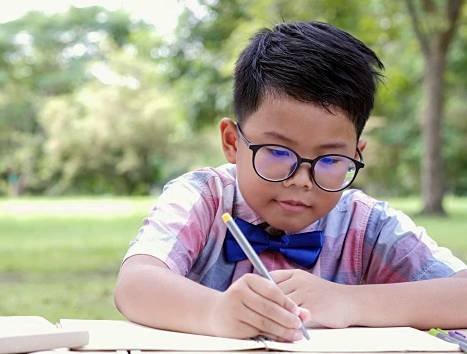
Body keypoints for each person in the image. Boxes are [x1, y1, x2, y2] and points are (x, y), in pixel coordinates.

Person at [113, 21, 467, 343]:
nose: (300, 181)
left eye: (330, 160)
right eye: (278, 152)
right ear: (233, 143)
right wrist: (215, 311)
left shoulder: (366, 223)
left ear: (357, 154)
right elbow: (136, 283)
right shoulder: (203, 196)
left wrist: (348, 302)